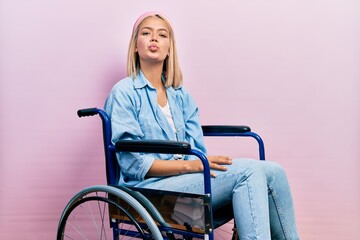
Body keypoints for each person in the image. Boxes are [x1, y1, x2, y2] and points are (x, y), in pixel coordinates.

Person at [104, 12, 300, 240]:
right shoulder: (124, 93)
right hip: (150, 192)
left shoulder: (181, 96)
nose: (154, 39)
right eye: (146, 33)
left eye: (162, 35)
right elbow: (133, 163)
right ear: (135, 46)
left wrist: (197, 166)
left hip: (189, 186)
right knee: (249, 171)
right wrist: (192, 167)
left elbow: (197, 149)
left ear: (170, 48)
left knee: (274, 171)